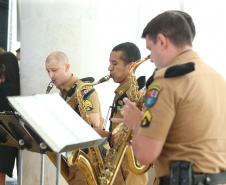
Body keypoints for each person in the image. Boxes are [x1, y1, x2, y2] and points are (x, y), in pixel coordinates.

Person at [111, 11, 226, 185]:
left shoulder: (167, 81)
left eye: (151, 50)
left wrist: (136, 124)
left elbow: (145, 155)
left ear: (162, 41)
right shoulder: (216, 77)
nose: (151, 60)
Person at [45, 51, 104, 185]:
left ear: (67, 67)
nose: (50, 75)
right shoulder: (63, 94)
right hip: (75, 157)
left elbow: (93, 127)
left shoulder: (84, 90)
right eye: (48, 71)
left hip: (88, 158)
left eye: (54, 70)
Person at [94, 42, 148, 185]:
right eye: (110, 63)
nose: (109, 68)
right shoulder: (123, 92)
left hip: (128, 171)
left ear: (130, 66)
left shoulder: (135, 95)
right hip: (118, 166)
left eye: (115, 63)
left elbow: (130, 136)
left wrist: (103, 134)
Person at [0, 52, 20, 185]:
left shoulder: (7, 88)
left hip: (3, 139)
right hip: (7, 138)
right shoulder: (12, 86)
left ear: (3, 67)